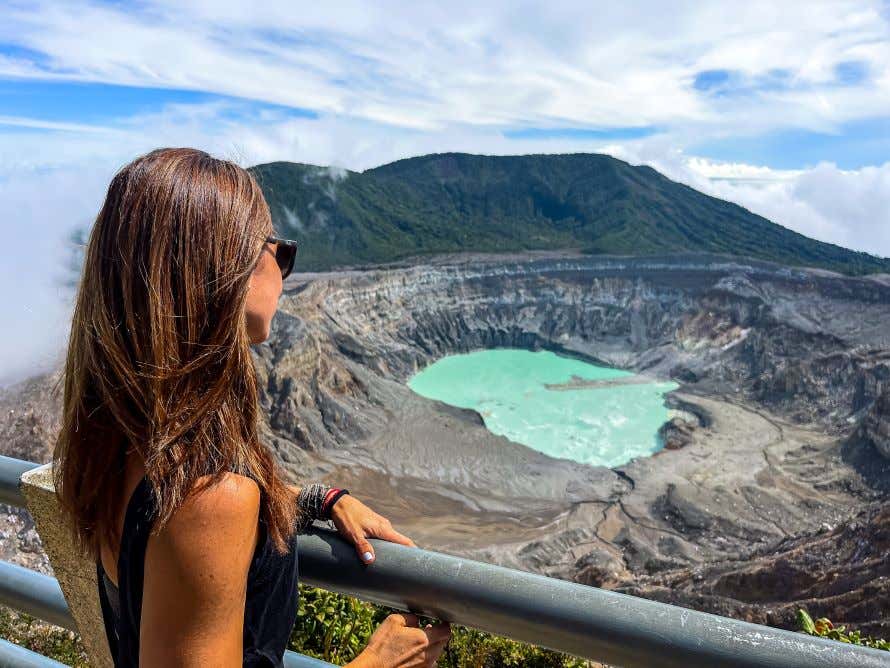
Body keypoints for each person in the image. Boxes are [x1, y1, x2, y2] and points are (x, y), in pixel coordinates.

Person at [52, 147, 451, 667]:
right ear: (224, 269)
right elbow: (207, 509)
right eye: (277, 250)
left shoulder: (123, 442)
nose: (284, 267)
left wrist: (318, 499)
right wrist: (376, 663)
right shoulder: (207, 495)